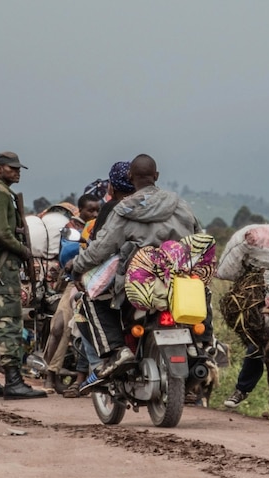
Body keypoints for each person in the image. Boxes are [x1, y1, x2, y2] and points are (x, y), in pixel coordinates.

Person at [70, 154, 199, 379]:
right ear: (156, 176)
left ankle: (117, 351)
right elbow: (197, 237)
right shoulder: (180, 203)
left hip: (136, 282)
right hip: (177, 279)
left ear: (131, 177)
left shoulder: (124, 209)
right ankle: (204, 346)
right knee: (201, 292)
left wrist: (77, 266)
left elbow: (101, 249)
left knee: (90, 299)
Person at [0, 151, 46, 399]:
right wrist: (25, 251)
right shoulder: (2, 194)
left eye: (18, 168)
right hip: (3, 266)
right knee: (9, 322)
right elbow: (2, 233)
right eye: (11, 168)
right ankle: (13, 381)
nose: (16, 172)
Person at [42, 189, 101, 392]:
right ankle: (51, 373)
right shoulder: (72, 228)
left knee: (89, 326)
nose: (94, 214)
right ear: (80, 210)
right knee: (60, 324)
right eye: (90, 210)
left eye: (97, 210)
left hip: (97, 280)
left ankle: (85, 376)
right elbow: (67, 252)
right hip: (74, 281)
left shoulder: (101, 227)